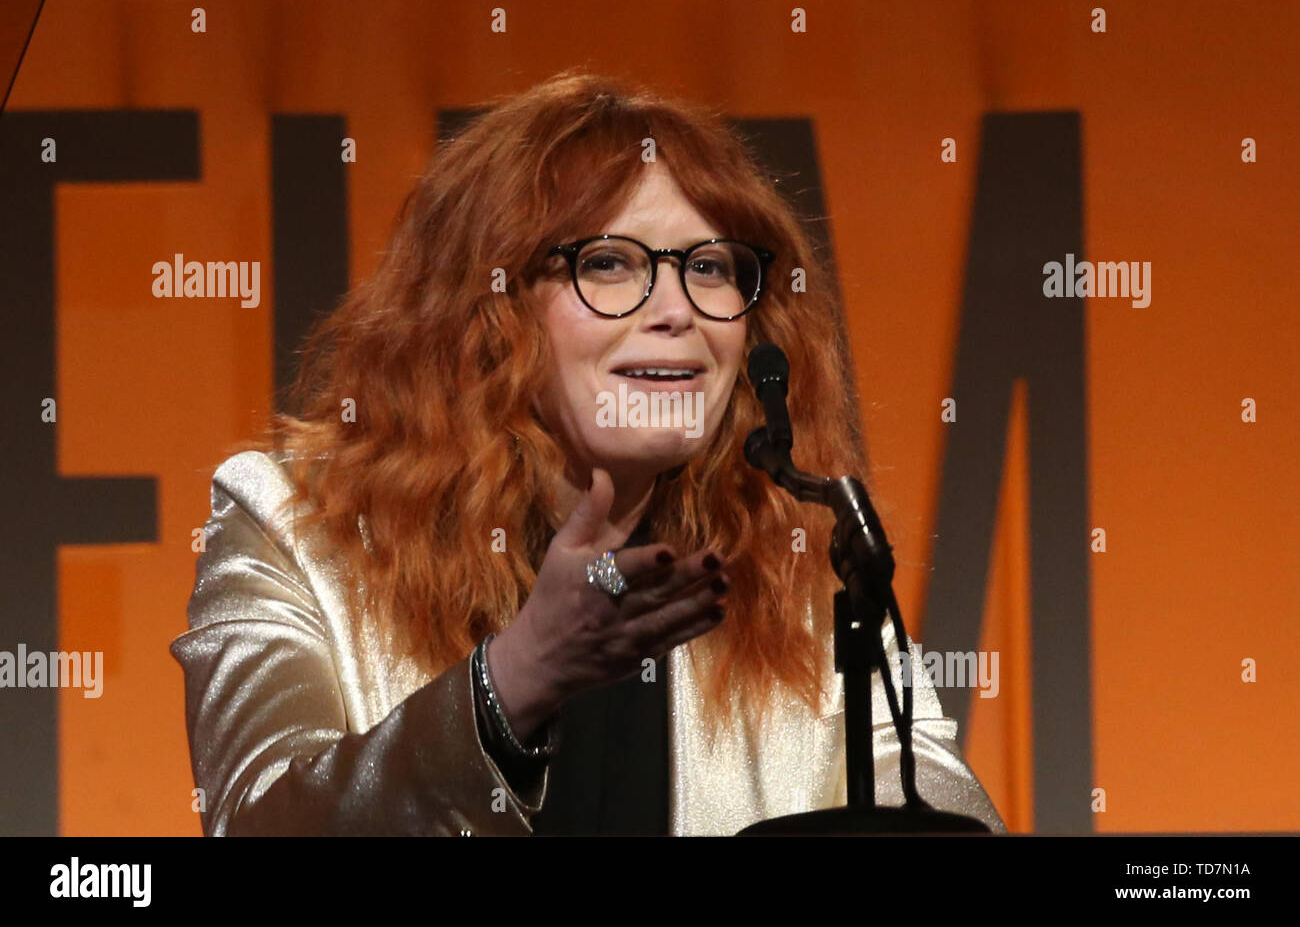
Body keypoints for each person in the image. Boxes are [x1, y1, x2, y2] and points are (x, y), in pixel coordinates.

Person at [170, 70, 1006, 836]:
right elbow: (257, 823)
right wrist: (515, 681)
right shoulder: (294, 526)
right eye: (610, 263)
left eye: (711, 267)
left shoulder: (789, 560)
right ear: (486, 311)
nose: (678, 309)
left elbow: (944, 814)